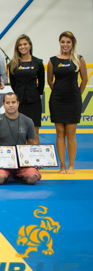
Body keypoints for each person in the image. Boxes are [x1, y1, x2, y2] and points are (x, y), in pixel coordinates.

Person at [47, 31, 88, 174]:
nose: (65, 45)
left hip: (73, 100)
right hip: (57, 100)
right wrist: (58, 91)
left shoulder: (79, 59)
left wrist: (77, 94)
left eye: (68, 42)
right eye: (63, 42)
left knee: (71, 133)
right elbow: (50, 81)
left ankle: (71, 166)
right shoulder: (52, 60)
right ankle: (62, 166)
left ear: (72, 44)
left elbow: (85, 79)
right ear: (60, 43)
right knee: (59, 133)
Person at [0, 93, 40, 185]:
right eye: (8, 103)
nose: (11, 105)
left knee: (32, 178)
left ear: (18, 103)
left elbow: (32, 143)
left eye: (13, 102)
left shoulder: (28, 121)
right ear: (3, 105)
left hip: (22, 161)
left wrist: (35, 160)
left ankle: (18, 175)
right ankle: (8, 174)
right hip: (3, 161)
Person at [8, 34, 44, 139]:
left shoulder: (38, 62)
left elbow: (41, 83)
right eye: (20, 45)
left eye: (25, 44)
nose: (22, 47)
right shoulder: (13, 64)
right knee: (20, 132)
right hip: (19, 102)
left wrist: (36, 94)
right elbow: (13, 83)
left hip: (34, 102)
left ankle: (35, 155)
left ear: (30, 46)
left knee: (34, 132)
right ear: (17, 48)